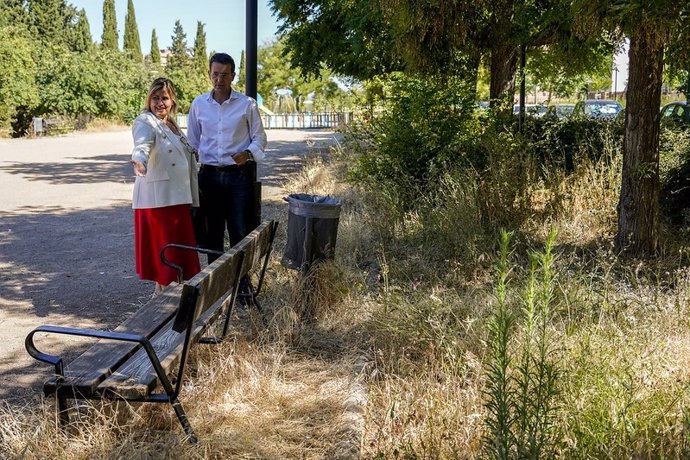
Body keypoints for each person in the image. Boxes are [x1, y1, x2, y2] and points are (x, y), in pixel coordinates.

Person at [187, 52, 267, 263]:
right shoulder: (198, 105)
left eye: (224, 75)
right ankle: (214, 287)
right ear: (209, 74)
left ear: (233, 76)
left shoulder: (247, 104)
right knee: (211, 234)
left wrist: (248, 153)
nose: (219, 80)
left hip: (239, 176)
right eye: (215, 74)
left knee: (240, 231)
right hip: (209, 176)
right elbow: (192, 143)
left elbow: (260, 138)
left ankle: (242, 286)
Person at [130, 77, 201, 296]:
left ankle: (161, 297)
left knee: (176, 254)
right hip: (159, 200)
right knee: (167, 254)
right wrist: (139, 160)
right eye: (155, 98)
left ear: (172, 101)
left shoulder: (171, 124)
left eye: (165, 98)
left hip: (177, 198)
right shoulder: (145, 121)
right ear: (149, 99)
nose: (160, 103)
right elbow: (142, 144)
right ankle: (164, 301)